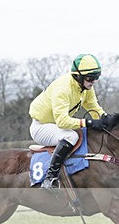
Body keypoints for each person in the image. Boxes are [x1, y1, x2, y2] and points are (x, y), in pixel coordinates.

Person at [29, 53, 108, 191]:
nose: (94, 81)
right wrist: (88, 123)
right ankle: (50, 178)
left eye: (97, 77)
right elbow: (62, 122)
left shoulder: (85, 87)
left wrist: (105, 118)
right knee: (71, 136)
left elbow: (93, 106)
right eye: (91, 78)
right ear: (78, 76)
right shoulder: (63, 88)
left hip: (55, 125)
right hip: (41, 127)